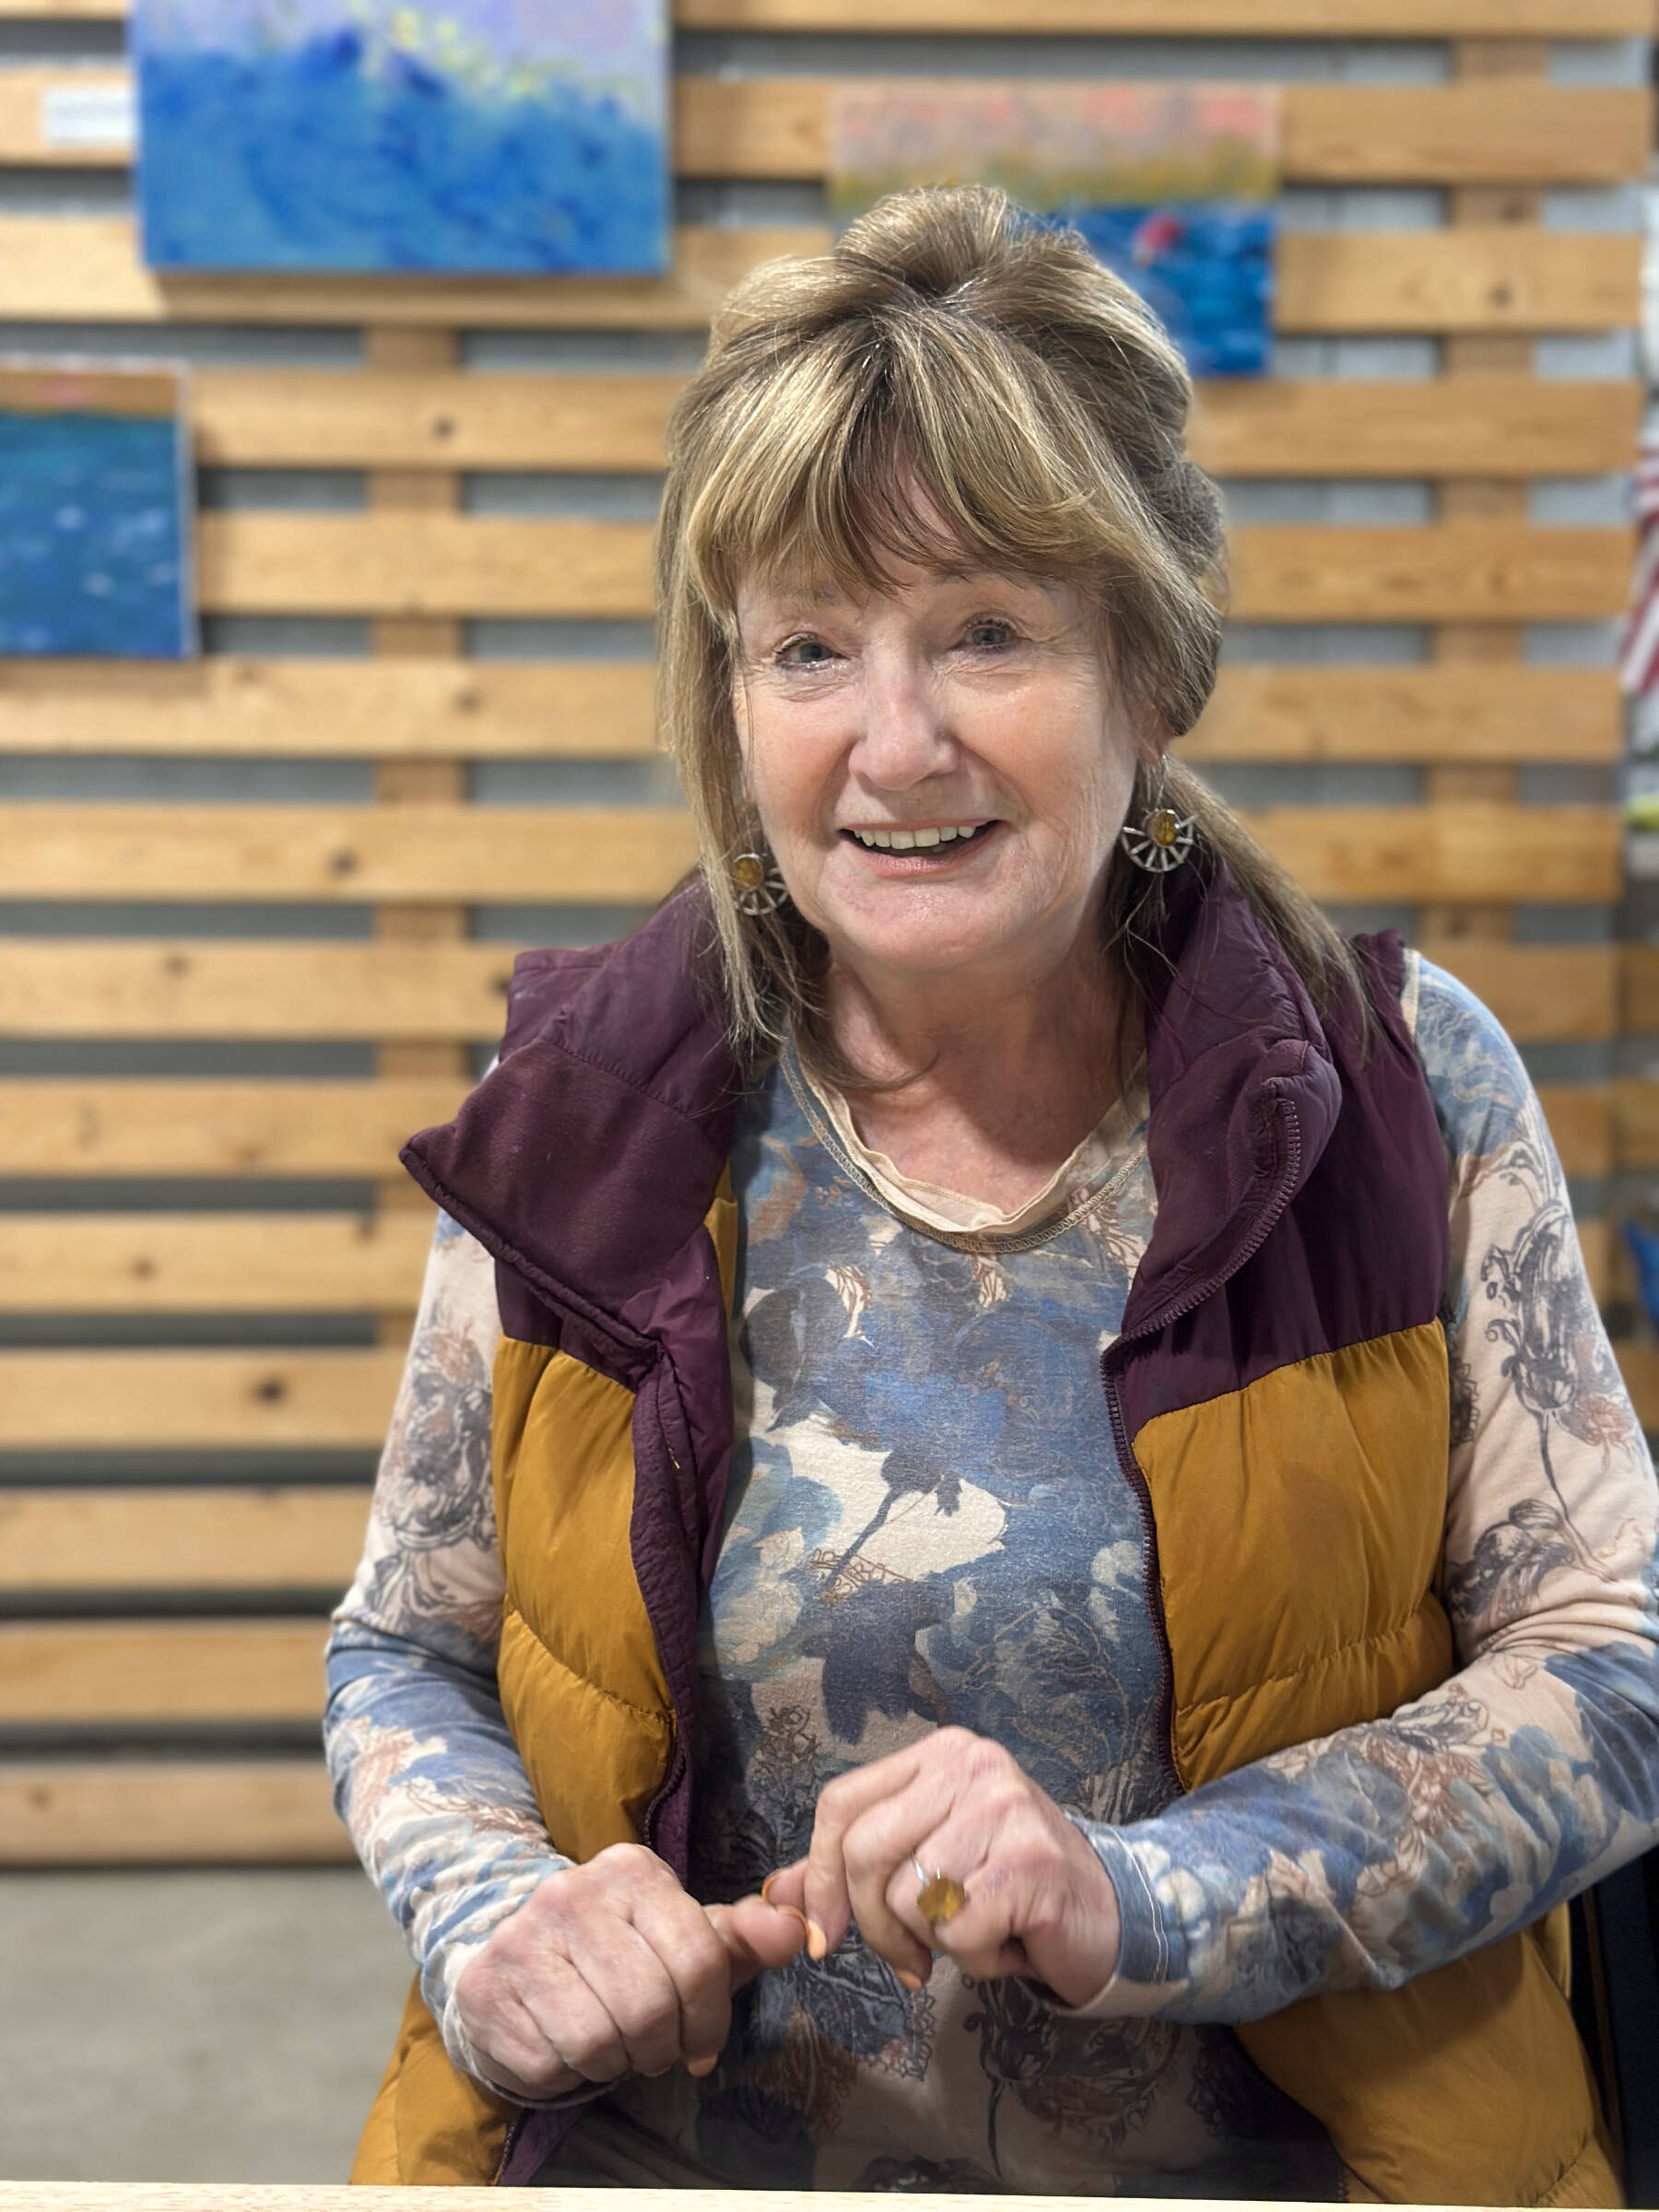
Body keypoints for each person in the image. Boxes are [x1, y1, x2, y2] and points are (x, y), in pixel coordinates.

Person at [324, 186, 1659, 2201]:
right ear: (732, 702)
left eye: (988, 633)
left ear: (1151, 668)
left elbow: (1609, 1654)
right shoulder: (592, 1103)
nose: (895, 742)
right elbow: (404, 1651)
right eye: (808, 648)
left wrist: (1155, 1892)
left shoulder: (1393, 1082)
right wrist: (493, 1914)